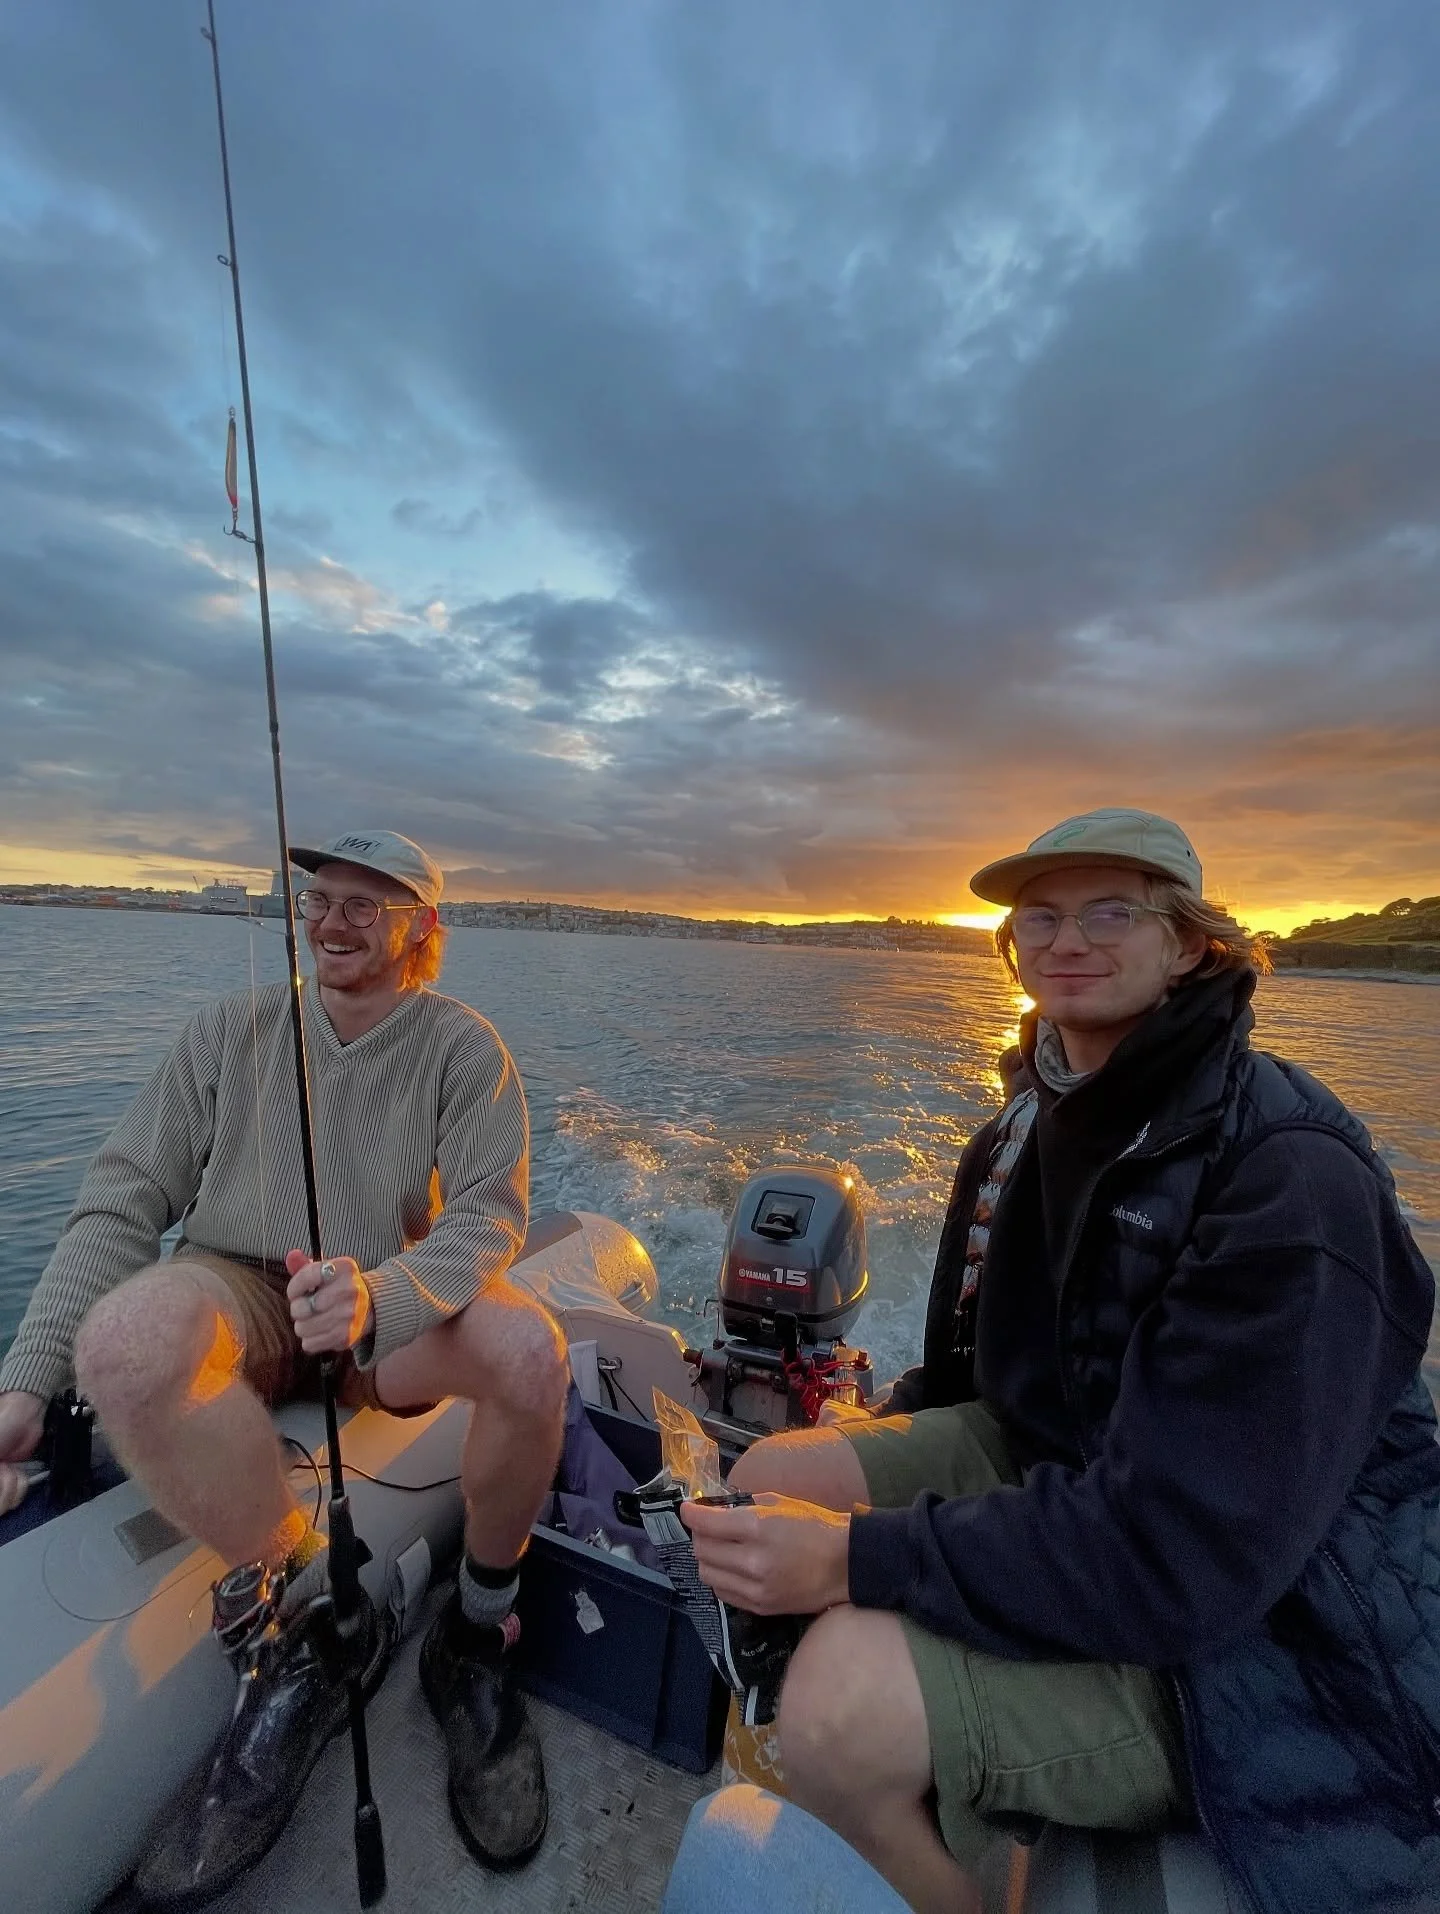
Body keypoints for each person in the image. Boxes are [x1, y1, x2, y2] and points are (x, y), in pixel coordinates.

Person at [683, 807, 1440, 1914]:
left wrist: (857, 1561)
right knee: (765, 1481)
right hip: (1079, 1459)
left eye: (1109, 911)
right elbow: (997, 1368)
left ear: (1190, 943)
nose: (1065, 940)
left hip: (1274, 1615)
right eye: (1039, 916)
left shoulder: (1288, 1175)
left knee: (834, 1707)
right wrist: (879, 1434)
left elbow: (1179, 1550)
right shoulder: (1037, 1117)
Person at [0, 829, 567, 1905]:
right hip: (239, 1288)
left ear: (424, 930)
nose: (334, 918)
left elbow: (493, 1214)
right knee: (124, 1346)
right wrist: (28, 1381)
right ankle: (302, 1595)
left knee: (530, 1352)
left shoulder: (464, 1047)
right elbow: (125, 1197)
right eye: (321, 897)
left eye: (370, 903)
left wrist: (379, 1296)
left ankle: (478, 1631)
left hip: (378, 1305)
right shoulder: (229, 1031)